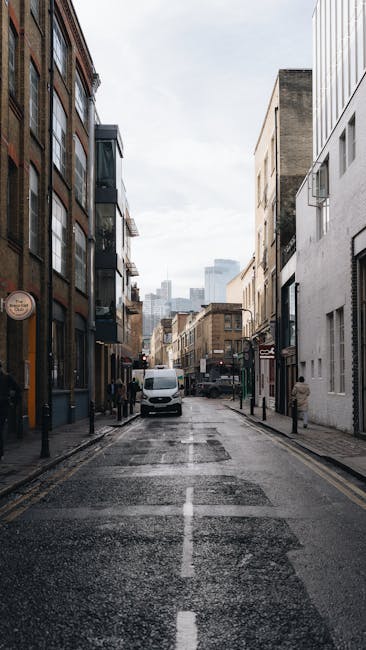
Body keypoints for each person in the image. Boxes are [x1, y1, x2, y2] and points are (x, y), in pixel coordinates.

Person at [0, 361, 21, 460]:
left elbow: (17, 389)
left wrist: (13, 402)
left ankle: (1, 454)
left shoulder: (7, 377)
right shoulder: (7, 377)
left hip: (2, 407)